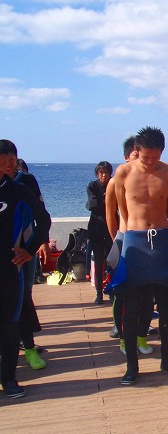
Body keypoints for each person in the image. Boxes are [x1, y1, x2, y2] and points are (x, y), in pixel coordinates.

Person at [112, 126, 168, 385]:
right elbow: (122, 208)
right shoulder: (123, 172)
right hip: (135, 241)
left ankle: (167, 360)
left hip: (162, 241)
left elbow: (167, 207)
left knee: (167, 306)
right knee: (133, 306)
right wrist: (133, 232)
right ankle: (131, 366)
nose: (151, 161)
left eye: (156, 157)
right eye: (146, 157)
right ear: (137, 150)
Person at [0, 140, 50, 398]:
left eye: (10, 160)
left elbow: (44, 219)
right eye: (2, 161)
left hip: (10, 268)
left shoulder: (16, 190)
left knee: (10, 324)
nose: (7, 165)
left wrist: (29, 249)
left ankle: (9, 379)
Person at [105, 137, 155, 356]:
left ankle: (142, 336)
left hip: (147, 242)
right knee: (123, 293)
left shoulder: (151, 178)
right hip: (124, 240)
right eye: (136, 155)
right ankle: (124, 338)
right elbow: (110, 214)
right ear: (127, 157)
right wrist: (117, 239)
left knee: (148, 293)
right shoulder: (116, 180)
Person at [86, 161, 113, 304]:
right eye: (101, 172)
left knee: (112, 260)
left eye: (106, 172)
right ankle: (98, 292)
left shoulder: (113, 184)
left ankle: (112, 290)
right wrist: (107, 199)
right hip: (96, 229)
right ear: (97, 174)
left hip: (111, 228)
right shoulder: (92, 186)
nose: (104, 175)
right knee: (98, 261)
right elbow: (93, 205)